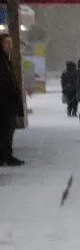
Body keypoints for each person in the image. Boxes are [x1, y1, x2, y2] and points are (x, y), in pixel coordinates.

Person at [0, 34, 24, 166]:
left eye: (11, 43)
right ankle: (6, 156)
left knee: (8, 130)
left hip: (8, 102)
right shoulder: (2, 60)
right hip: (4, 102)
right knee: (6, 130)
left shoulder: (6, 60)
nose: (9, 46)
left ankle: (5, 155)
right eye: (6, 43)